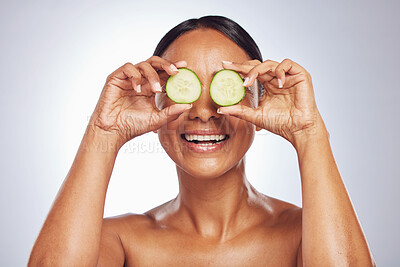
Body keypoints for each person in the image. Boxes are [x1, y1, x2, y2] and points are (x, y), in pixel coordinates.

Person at [28, 15, 376, 266]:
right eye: (186, 88)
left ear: (260, 99)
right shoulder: (119, 240)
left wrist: (309, 132)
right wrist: (103, 131)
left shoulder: (307, 235)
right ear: (156, 101)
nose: (204, 112)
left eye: (225, 89)